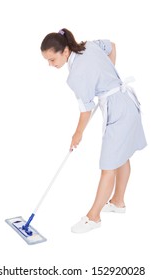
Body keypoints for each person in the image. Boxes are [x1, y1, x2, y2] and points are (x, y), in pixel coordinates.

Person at [40, 28, 147, 234]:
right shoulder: (88, 45)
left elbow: (85, 110)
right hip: (125, 102)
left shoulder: (76, 76)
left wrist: (77, 134)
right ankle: (117, 202)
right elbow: (112, 46)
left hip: (119, 109)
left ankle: (94, 217)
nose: (50, 65)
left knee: (108, 165)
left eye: (52, 60)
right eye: (47, 61)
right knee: (121, 156)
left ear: (64, 51)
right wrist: (106, 80)